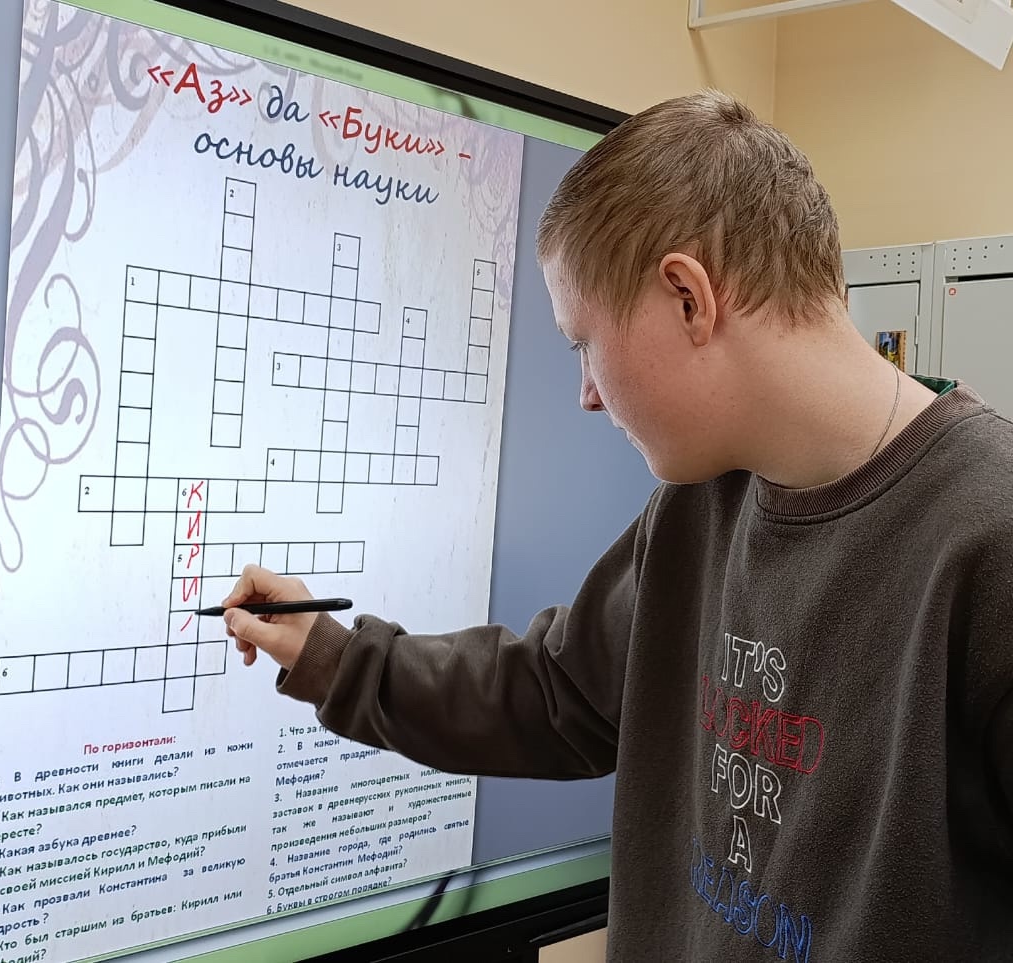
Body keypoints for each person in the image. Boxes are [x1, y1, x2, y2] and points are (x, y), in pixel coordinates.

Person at [222, 91, 1013, 960]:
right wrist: (329, 653)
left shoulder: (990, 537)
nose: (588, 394)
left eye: (583, 343)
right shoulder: (700, 503)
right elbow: (553, 693)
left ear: (688, 297)